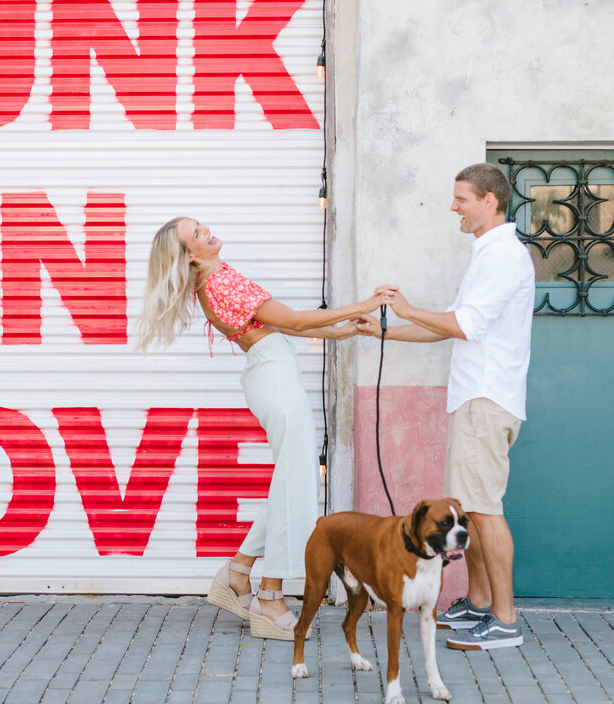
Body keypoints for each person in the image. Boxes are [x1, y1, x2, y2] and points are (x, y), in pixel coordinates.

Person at [138, 216, 381, 640]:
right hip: (274, 375)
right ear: (190, 256)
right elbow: (296, 322)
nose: (206, 231)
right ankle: (270, 598)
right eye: (196, 234)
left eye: (200, 225)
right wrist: (365, 304)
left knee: (292, 481)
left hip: (271, 370)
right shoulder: (220, 282)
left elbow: (279, 327)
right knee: (296, 485)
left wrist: (343, 330)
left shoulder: (216, 279)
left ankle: (238, 573)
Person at [361, 162, 534, 651]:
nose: (453, 206)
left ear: (490, 201)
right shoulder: (488, 254)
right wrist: (385, 330)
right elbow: (451, 326)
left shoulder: (503, 256)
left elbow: (466, 324)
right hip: (475, 397)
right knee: (471, 511)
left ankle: (504, 620)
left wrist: (408, 307)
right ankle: (479, 606)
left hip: (486, 397)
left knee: (485, 512)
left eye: (461, 198)